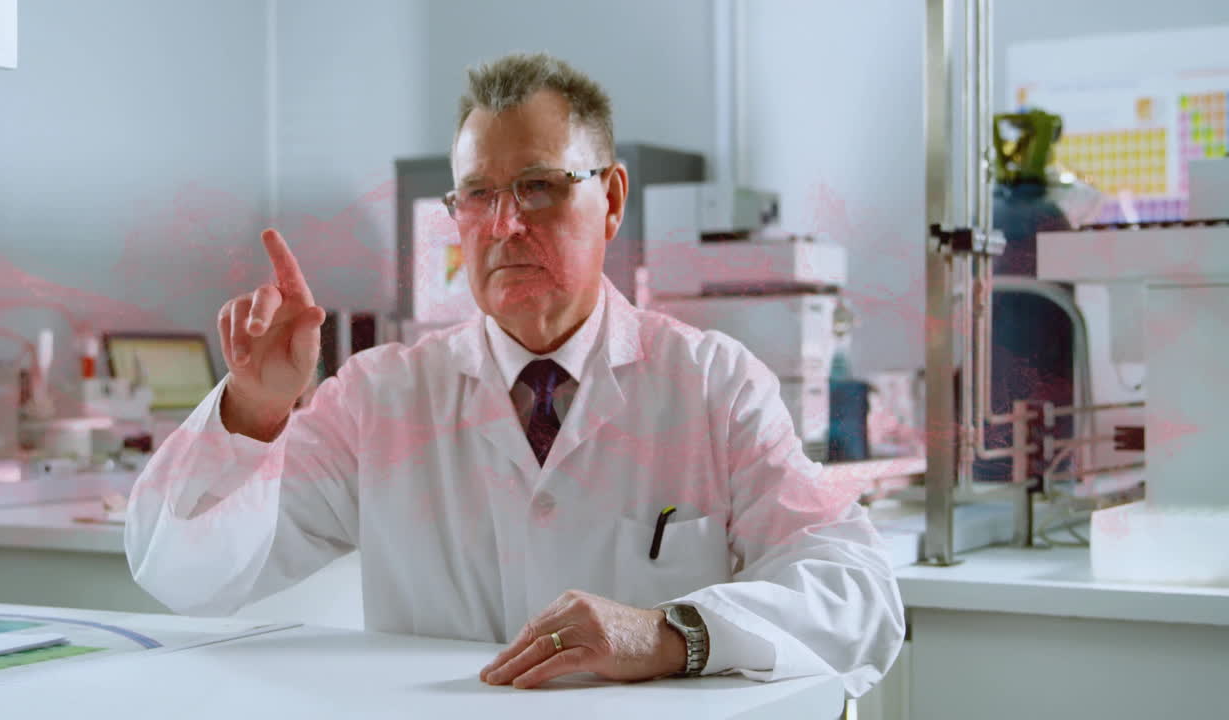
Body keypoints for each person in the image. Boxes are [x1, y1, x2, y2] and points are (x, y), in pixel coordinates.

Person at [125, 52, 904, 695]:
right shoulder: (380, 397)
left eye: (537, 186)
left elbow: (860, 591)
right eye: (477, 196)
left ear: (612, 199)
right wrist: (252, 413)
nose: (502, 227)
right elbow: (188, 578)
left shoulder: (712, 384)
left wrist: (667, 632)